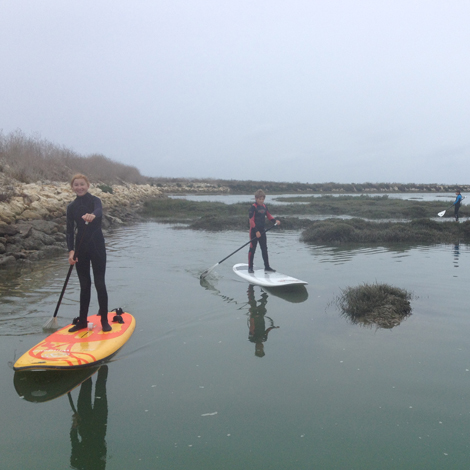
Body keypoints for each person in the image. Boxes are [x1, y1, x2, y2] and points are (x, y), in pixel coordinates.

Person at [67, 174, 111, 332]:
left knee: (100, 283)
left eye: (82, 184)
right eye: (76, 185)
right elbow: (70, 231)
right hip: (80, 249)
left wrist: (93, 215)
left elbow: (99, 210)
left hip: (97, 246)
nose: (79, 187)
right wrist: (71, 251)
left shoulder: (95, 201)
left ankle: (105, 320)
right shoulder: (71, 207)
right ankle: (82, 321)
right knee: (84, 285)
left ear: (88, 185)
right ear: (72, 187)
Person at [248, 189, 280, 273]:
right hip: (254, 231)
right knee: (252, 249)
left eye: (262, 199)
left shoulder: (264, 207)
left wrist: (275, 221)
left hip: (262, 231)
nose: (261, 201)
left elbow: (269, 216)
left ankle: (267, 267)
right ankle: (250, 267)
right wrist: (256, 231)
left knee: (264, 249)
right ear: (256, 198)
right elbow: (251, 221)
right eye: (259, 199)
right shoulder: (253, 207)